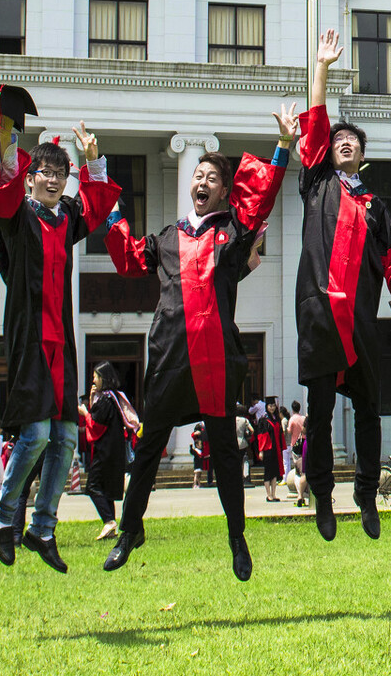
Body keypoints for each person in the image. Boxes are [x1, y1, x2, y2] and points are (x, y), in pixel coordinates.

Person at [102, 103, 291, 582]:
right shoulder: (167, 238)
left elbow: (262, 199)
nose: (203, 181)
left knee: (226, 450)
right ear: (191, 184)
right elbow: (124, 253)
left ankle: (236, 536)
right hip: (168, 357)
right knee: (148, 448)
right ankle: (130, 530)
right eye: (198, 174)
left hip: (214, 359)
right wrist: (96, 169)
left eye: (212, 177)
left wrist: (284, 146)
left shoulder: (231, 233)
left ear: (224, 190)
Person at [0, 82, 119, 575]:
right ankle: (2, 512)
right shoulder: (18, 216)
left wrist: (93, 160)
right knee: (36, 434)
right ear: (32, 177)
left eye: (62, 173)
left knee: (65, 437)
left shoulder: (67, 219)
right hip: (29, 337)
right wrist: (8, 141)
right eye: (46, 172)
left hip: (63, 340)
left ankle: (42, 527)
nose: (55, 180)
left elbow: (97, 206)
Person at [297, 30, 391, 542]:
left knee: (369, 410)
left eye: (353, 140)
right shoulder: (317, 185)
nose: (344, 143)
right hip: (317, 314)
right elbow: (314, 126)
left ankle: (367, 495)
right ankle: (324, 500)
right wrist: (322, 68)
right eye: (337, 141)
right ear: (328, 153)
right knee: (321, 413)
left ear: (362, 154)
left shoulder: (376, 205)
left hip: (359, 321)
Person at [79, 361, 140, 541]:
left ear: (103, 378)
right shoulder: (112, 397)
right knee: (106, 490)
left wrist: (84, 412)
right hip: (114, 450)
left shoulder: (106, 399)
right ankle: (111, 526)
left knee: (93, 486)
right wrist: (91, 401)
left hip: (104, 452)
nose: (93, 380)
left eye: (96, 377)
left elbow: (96, 426)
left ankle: (109, 521)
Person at [255, 397, 286, 502]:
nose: (272, 407)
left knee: (275, 472)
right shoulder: (264, 420)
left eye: (273, 405)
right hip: (268, 450)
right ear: (266, 407)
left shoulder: (276, 419)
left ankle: (273, 494)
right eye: (270, 406)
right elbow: (261, 436)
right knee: (268, 472)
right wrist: (261, 451)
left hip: (276, 450)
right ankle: (268, 495)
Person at [190, 423, 210, 490]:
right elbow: (192, 451)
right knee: (196, 475)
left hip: (200, 464)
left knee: (199, 475)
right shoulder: (196, 451)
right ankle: (195, 484)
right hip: (197, 465)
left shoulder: (200, 452)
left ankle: (198, 484)